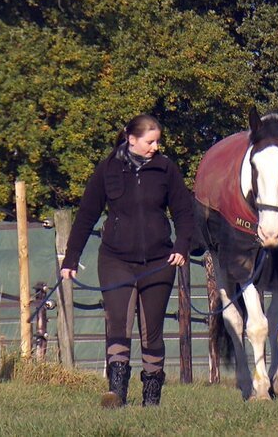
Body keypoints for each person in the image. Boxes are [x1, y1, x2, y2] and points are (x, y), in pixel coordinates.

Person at [60, 114, 194, 407]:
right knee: (118, 324)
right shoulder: (107, 169)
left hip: (159, 260)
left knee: (152, 329)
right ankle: (117, 394)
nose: (155, 147)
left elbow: (185, 212)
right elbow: (86, 216)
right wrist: (71, 259)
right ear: (131, 139)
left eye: (158, 141)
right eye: (150, 141)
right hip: (115, 260)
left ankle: (151, 400)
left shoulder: (166, 169)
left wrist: (182, 246)